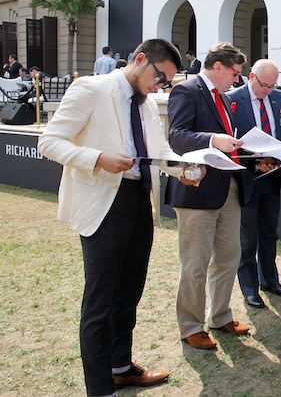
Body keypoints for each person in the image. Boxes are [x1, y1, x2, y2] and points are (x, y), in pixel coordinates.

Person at [38, 39, 203, 396]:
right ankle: (101, 389)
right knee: (100, 300)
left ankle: (121, 366)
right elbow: (49, 141)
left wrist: (183, 168)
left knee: (129, 292)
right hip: (102, 203)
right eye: (159, 77)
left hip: (138, 201)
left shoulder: (145, 102)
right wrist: (98, 157)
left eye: (166, 83)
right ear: (140, 59)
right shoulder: (90, 88)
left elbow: (157, 151)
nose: (160, 87)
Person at [165, 42, 251, 350]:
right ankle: (191, 326)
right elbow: (176, 136)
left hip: (228, 187)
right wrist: (214, 139)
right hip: (196, 191)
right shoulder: (186, 91)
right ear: (218, 67)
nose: (237, 80)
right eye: (235, 73)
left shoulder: (224, 98)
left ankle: (220, 315)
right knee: (195, 263)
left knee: (229, 256)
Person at [227, 59, 281, 308]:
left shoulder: (278, 98)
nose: (267, 90)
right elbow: (229, 141)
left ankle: (270, 279)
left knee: (269, 232)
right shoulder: (233, 99)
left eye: (272, 85)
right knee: (247, 236)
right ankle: (249, 287)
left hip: (273, 176)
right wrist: (255, 163)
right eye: (263, 84)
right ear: (251, 76)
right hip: (246, 177)